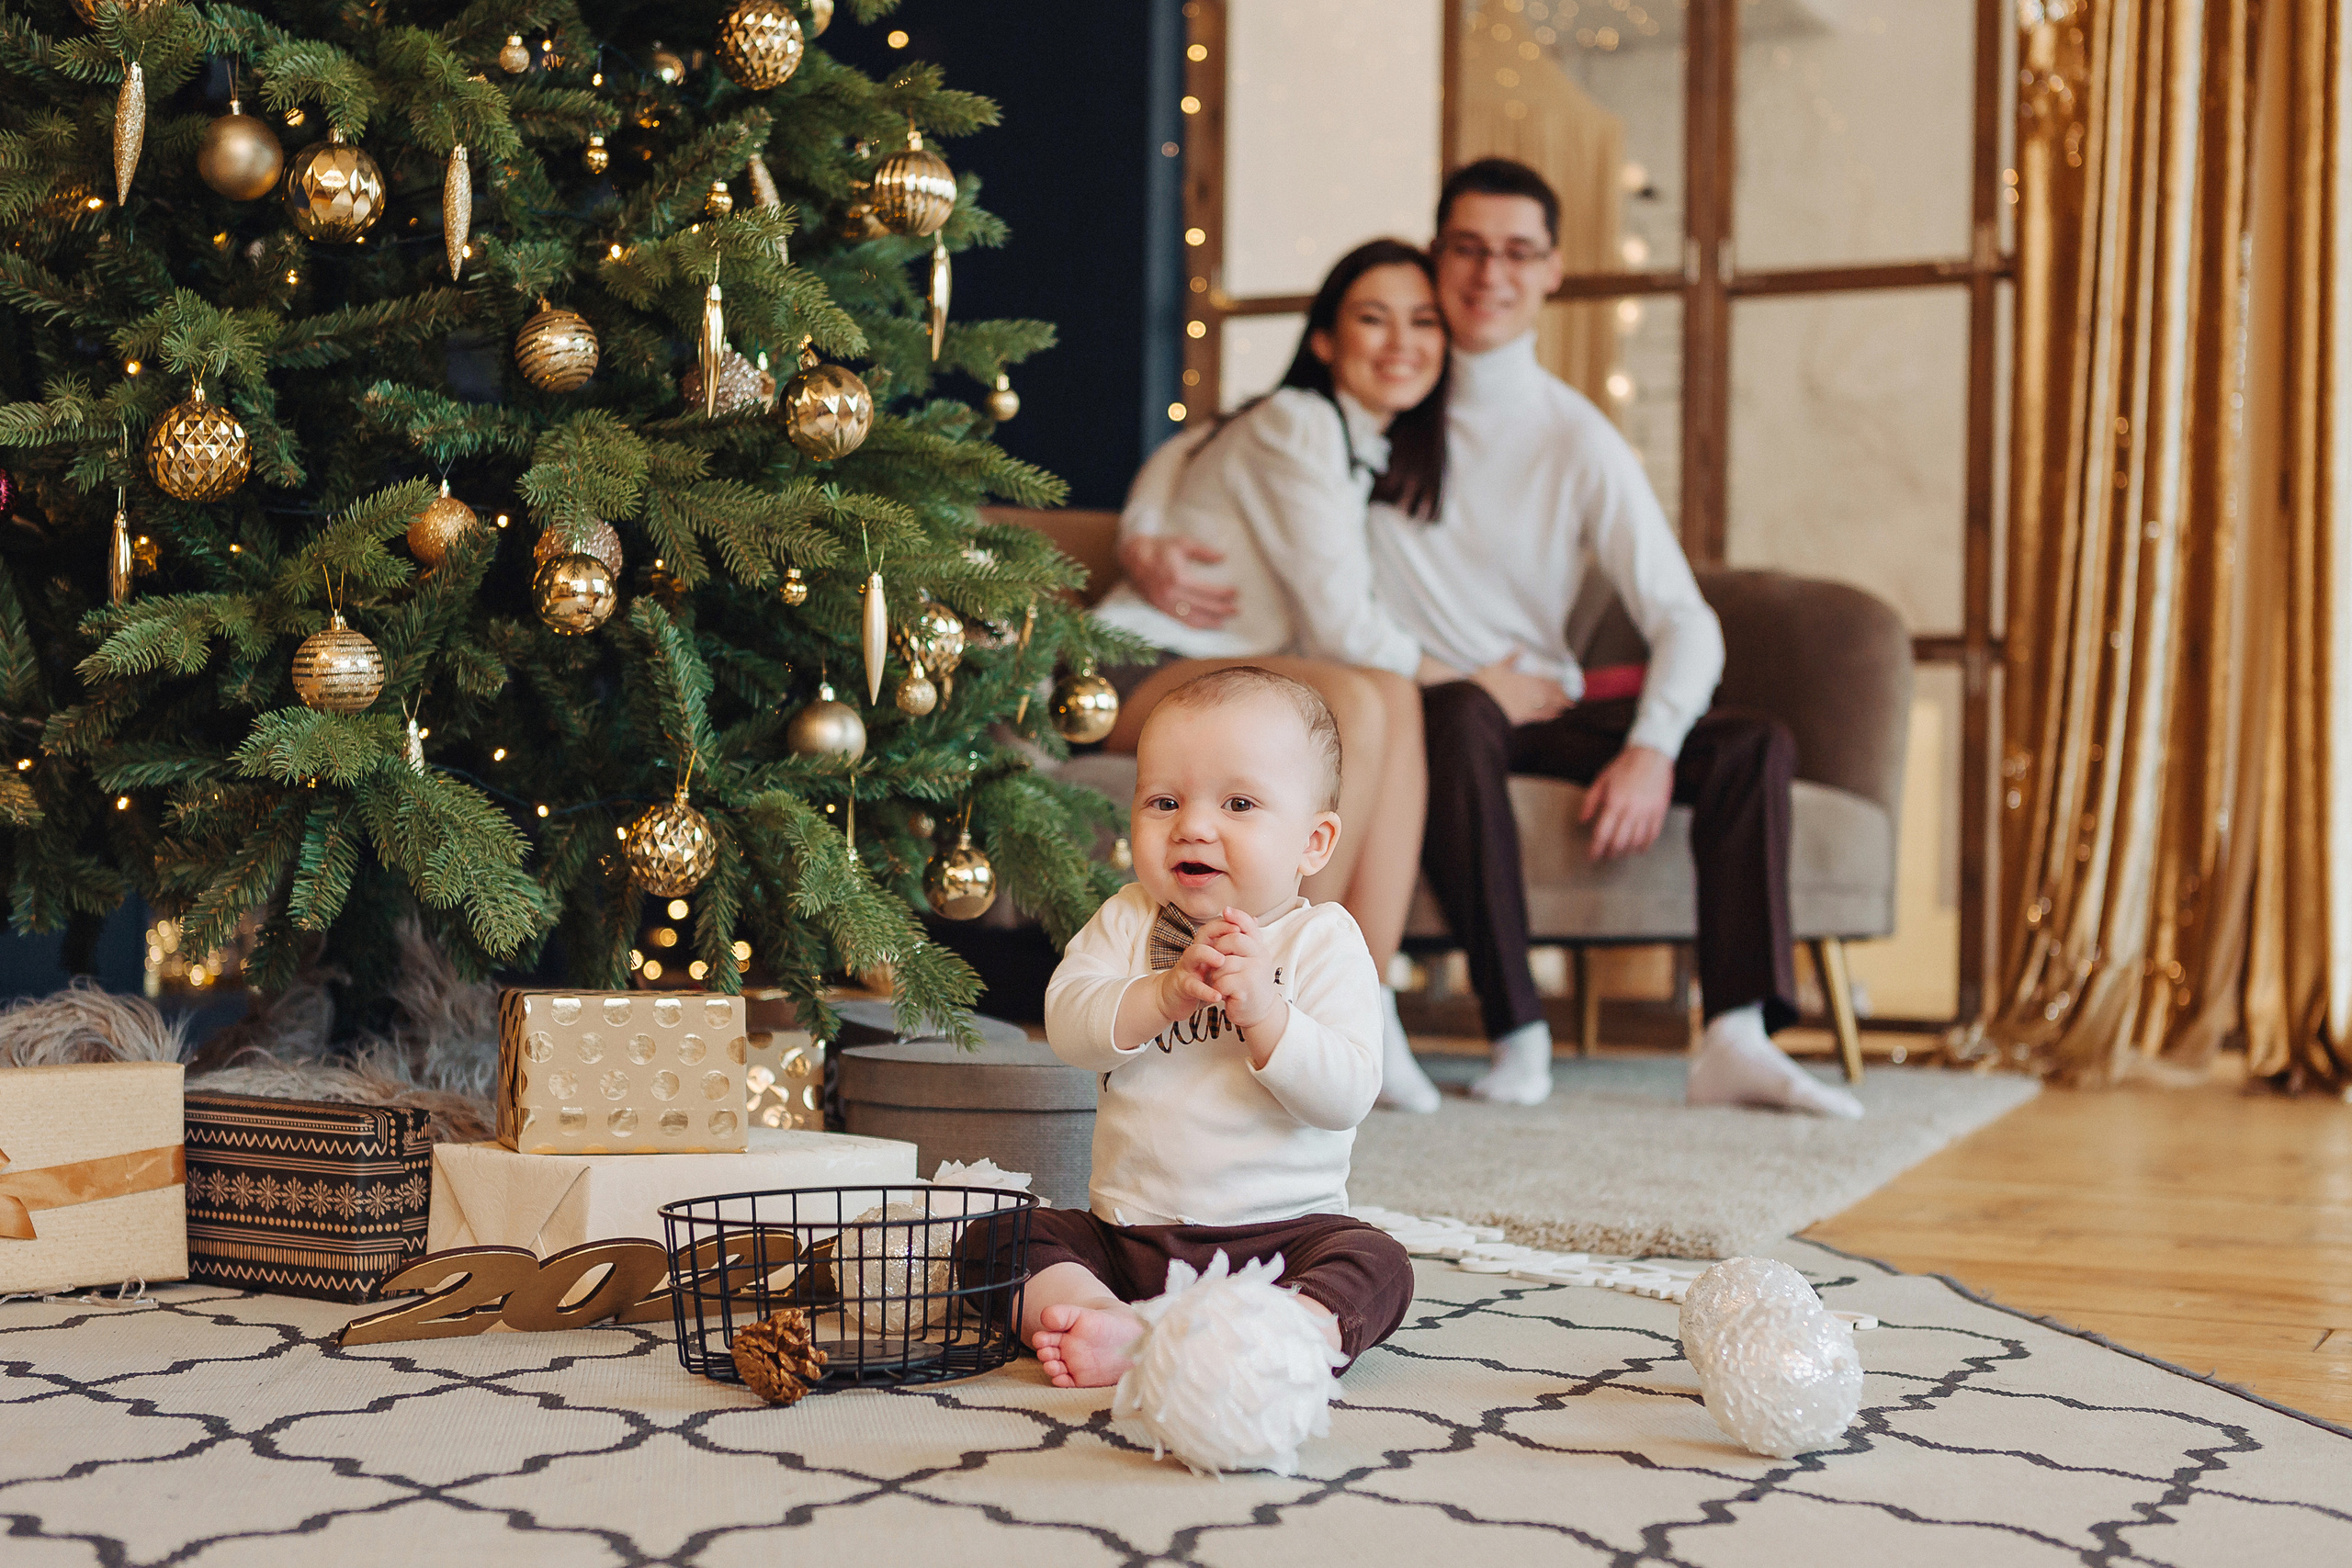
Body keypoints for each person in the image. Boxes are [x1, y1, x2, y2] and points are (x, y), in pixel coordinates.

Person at [1092, 240, 1465, 1113]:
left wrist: (1142, 521)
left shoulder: (1343, 435)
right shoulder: (1300, 420)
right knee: (1352, 693)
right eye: (1373, 317)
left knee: (1387, 694)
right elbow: (1342, 626)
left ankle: (1362, 997)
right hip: (1128, 664)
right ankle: (1286, 977)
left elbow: (1182, 453)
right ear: (1327, 338)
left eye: (1424, 321)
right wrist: (1486, 677)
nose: (1401, 341)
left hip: (1204, 666)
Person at [1002, 667, 1414, 1387]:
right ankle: (1114, 1322)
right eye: (1164, 800)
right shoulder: (1127, 920)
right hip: (1127, 1237)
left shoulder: (1325, 941)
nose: (1192, 824)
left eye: (1239, 802)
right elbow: (1068, 1024)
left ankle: (1275, 1333)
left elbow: (1347, 1093)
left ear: (1313, 842)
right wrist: (1159, 996)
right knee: (1004, 1237)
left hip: (1283, 1238)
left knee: (1379, 1266)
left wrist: (1267, 1015)